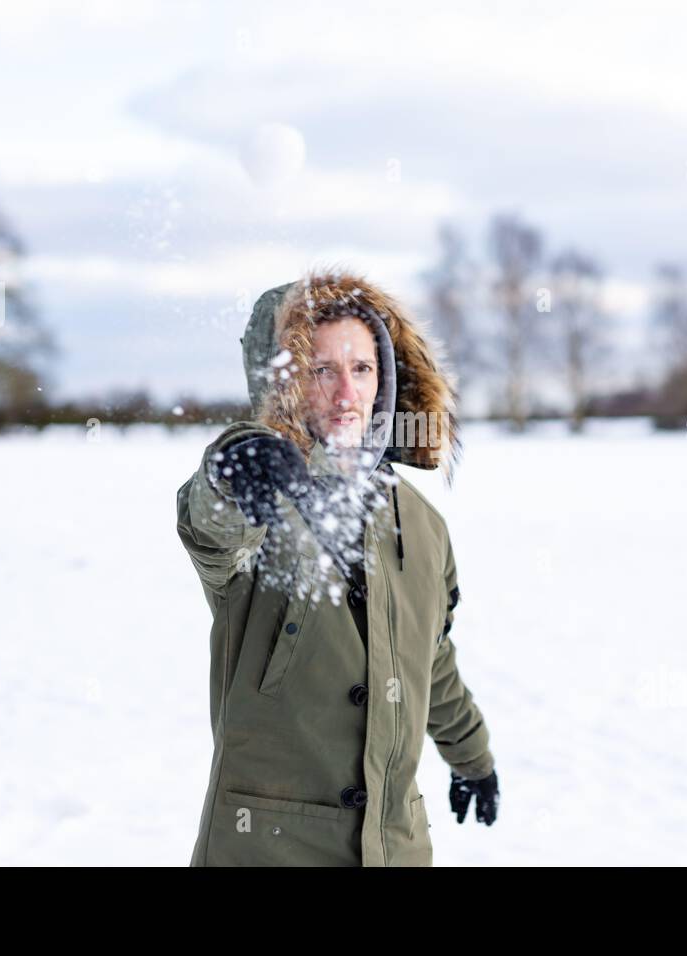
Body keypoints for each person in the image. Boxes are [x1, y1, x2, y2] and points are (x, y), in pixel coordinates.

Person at [177, 267, 499, 866]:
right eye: (321, 370)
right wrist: (232, 467)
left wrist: (472, 755)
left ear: (387, 381)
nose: (346, 393)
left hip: (395, 846)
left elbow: (432, 657)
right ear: (287, 382)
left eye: (361, 369)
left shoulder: (423, 526)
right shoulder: (261, 500)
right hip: (268, 849)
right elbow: (211, 529)